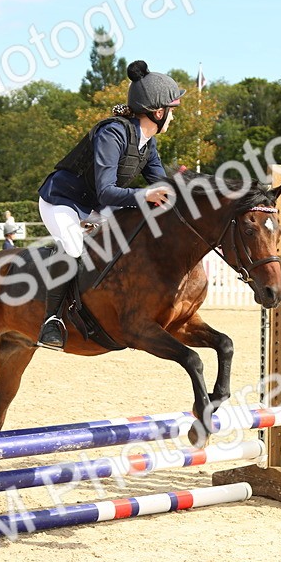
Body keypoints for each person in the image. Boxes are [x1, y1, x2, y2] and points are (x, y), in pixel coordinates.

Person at [35, 59, 180, 349]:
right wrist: (144, 196)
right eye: (172, 112)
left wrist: (187, 187)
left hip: (96, 207)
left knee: (131, 232)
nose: (174, 119)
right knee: (75, 246)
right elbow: (107, 192)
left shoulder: (147, 144)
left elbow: (162, 187)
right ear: (158, 111)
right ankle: (51, 321)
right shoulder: (112, 134)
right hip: (62, 200)